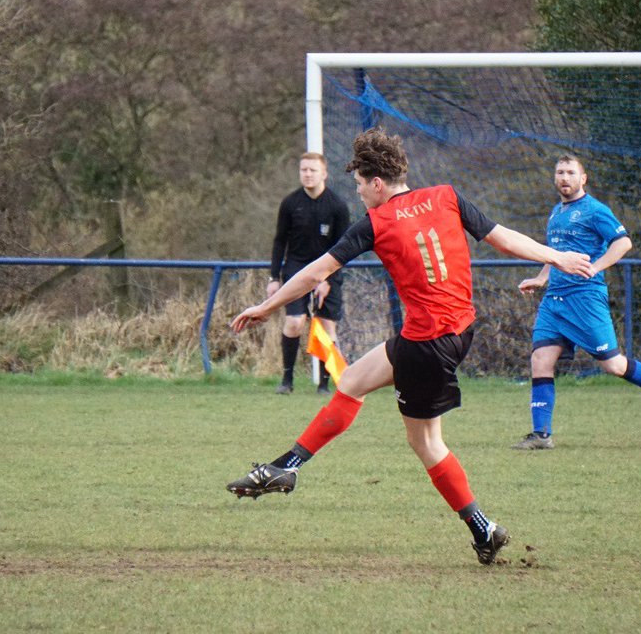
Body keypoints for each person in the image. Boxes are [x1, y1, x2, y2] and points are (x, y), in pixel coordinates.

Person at [228, 127, 595, 566]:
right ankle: (288, 465)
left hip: (427, 343)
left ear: (377, 183)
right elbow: (502, 236)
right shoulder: (446, 196)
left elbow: (312, 273)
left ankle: (484, 528)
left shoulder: (377, 222)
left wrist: (268, 305)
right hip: (455, 331)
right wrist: (553, 257)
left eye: (361, 185)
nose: (360, 193)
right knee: (353, 381)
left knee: (427, 444)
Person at [512, 155, 641, 450]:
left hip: (585, 299)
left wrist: (596, 267)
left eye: (571, 172)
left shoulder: (594, 210)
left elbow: (623, 242)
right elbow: (556, 253)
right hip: (555, 301)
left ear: (583, 178)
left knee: (614, 365)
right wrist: (541, 278)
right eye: (560, 172)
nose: (564, 177)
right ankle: (541, 434)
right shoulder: (556, 212)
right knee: (540, 359)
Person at [268, 152, 351, 394]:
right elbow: (279, 241)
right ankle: (287, 381)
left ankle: (324, 384)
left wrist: (327, 280)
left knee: (326, 327)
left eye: (313, 170)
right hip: (296, 268)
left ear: (324, 173)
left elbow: (343, 249)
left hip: (329, 270)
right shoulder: (290, 204)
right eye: (304, 169)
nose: (308, 174)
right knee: (294, 323)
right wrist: (274, 278)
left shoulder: (337, 206)